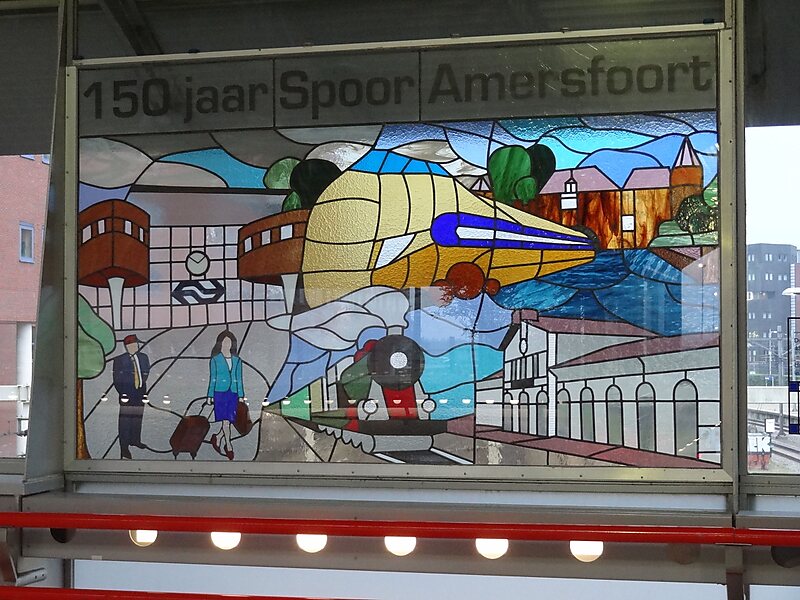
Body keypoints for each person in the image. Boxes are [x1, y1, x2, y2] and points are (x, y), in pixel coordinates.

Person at [207, 330, 244, 460]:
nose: (227, 345)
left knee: (229, 420)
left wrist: (241, 395)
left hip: (232, 392)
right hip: (220, 392)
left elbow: (239, 378)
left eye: (229, 342)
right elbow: (213, 378)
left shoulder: (237, 360)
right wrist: (210, 395)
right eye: (224, 342)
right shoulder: (215, 360)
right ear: (220, 343)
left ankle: (217, 437)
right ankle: (228, 446)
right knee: (226, 420)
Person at [112, 334, 150, 459]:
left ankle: (135, 440)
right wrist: (123, 393)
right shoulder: (120, 360)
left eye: (137, 344)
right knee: (125, 421)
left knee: (137, 418)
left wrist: (141, 387)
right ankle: (124, 448)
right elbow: (117, 379)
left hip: (140, 392)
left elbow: (146, 372)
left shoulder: (143, 357)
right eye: (133, 344)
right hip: (126, 394)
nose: (136, 346)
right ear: (127, 346)